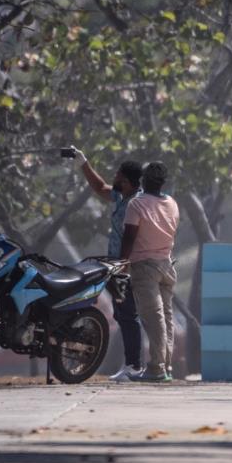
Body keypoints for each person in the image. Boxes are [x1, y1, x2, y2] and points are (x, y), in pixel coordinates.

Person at [67, 146, 145, 382]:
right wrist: (83, 162)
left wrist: (126, 264)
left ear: (129, 182)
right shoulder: (122, 196)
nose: (115, 178)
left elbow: (136, 236)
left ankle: (135, 365)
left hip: (127, 267)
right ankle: (131, 364)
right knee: (122, 316)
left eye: (119, 176)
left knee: (129, 316)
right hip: (116, 266)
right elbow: (100, 188)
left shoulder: (139, 203)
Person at [120, 162, 180, 382]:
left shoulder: (136, 204)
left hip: (145, 267)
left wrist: (121, 264)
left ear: (143, 180)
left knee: (154, 319)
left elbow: (129, 237)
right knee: (166, 317)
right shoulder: (172, 203)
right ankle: (167, 367)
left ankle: (156, 369)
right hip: (167, 265)